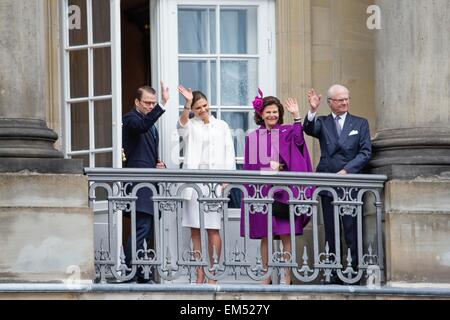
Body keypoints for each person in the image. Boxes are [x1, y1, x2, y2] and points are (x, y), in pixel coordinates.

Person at [240, 89, 313, 285]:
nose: (272, 115)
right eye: (268, 112)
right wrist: (265, 169)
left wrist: (297, 116)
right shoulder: (253, 136)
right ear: (260, 114)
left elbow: (299, 143)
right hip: (263, 191)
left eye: (275, 112)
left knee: (285, 234)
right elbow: (250, 165)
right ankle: (266, 275)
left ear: (279, 113)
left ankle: (286, 276)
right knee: (265, 236)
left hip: (283, 192)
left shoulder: (287, 130)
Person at [303, 85, 372, 283]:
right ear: (330, 103)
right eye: (340, 100)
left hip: (349, 182)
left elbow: (365, 152)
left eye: (346, 99)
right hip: (328, 181)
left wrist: (347, 170)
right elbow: (308, 129)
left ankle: (353, 273)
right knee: (331, 230)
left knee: (351, 229)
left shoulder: (360, 123)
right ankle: (332, 272)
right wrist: (313, 110)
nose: (344, 103)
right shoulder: (323, 122)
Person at [177, 85, 236, 284]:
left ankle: (213, 274)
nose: (203, 110)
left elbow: (230, 152)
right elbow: (181, 126)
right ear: (193, 109)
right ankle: (199, 274)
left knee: (213, 229)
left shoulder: (222, 125)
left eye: (204, 106)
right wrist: (186, 104)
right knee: (195, 229)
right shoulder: (190, 125)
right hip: (195, 182)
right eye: (198, 108)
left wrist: (226, 180)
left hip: (215, 182)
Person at [122, 82, 169, 283]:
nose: (151, 107)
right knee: (140, 229)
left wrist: (158, 163)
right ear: (136, 102)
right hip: (139, 184)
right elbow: (141, 127)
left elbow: (147, 148)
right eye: (147, 103)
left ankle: (141, 273)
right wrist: (163, 106)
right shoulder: (130, 118)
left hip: (150, 183)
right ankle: (131, 273)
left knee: (146, 231)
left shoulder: (150, 125)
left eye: (153, 103)